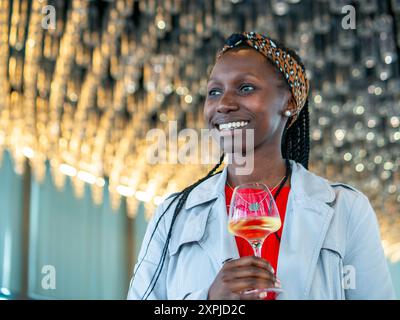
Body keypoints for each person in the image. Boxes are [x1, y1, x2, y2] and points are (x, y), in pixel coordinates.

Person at [127, 32, 395, 300]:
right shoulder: (173, 214)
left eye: (245, 88)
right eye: (214, 91)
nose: (224, 104)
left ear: (289, 102)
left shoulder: (345, 209)